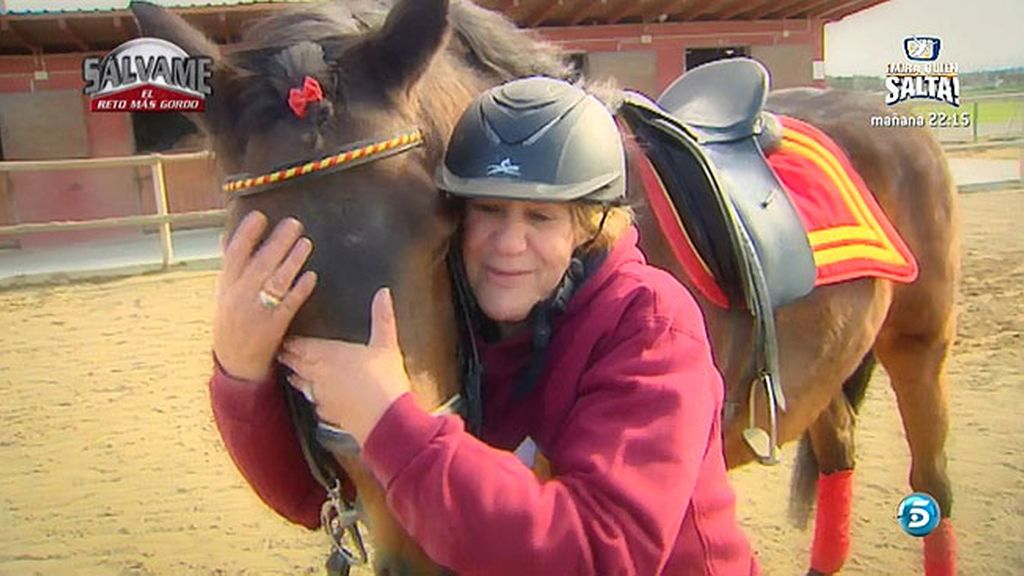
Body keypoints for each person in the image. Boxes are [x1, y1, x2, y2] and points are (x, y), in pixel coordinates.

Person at [209, 76, 760, 575]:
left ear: (588, 225)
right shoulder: (454, 312)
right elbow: (314, 498)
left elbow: (601, 553)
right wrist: (241, 372)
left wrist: (389, 422)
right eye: (489, 210)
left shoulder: (652, 326)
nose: (509, 244)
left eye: (540, 217)